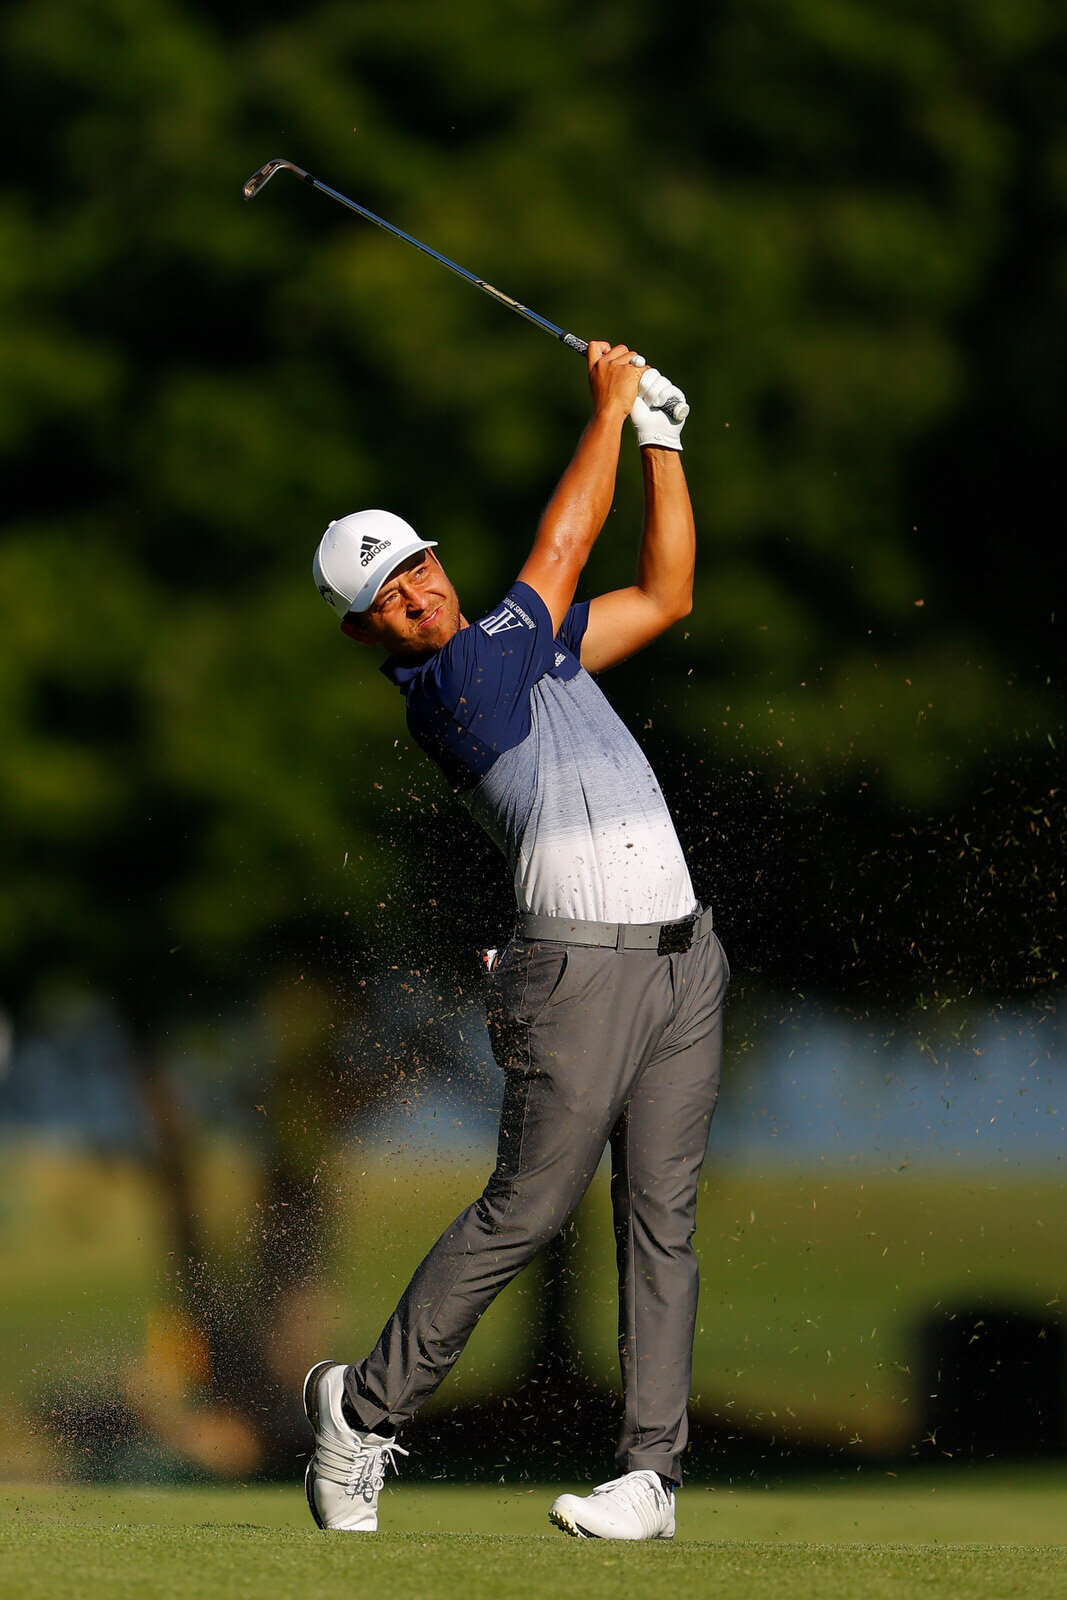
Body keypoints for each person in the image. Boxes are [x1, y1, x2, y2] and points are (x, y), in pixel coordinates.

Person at [304, 342, 729, 1541]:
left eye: (419, 569)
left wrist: (661, 444)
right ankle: (364, 1415)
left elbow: (664, 595)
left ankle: (649, 1478)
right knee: (526, 1209)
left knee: (661, 1216)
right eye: (387, 596)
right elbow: (558, 549)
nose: (416, 596)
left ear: (438, 562)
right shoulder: (452, 686)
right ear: (367, 632)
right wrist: (607, 403)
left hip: (682, 960)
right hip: (574, 971)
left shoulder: (524, 647)